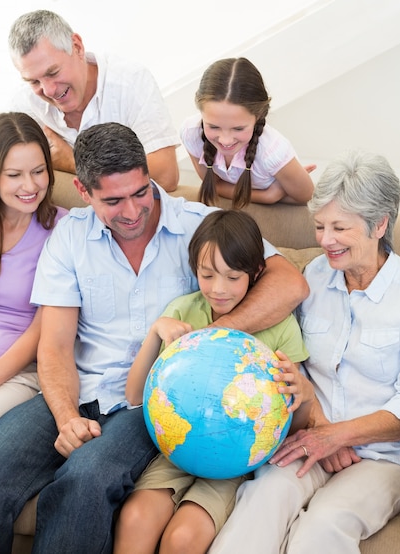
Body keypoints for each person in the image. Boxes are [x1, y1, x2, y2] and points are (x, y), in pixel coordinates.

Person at [0, 122, 308, 554]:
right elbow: (56, 346)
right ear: (82, 190)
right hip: (76, 387)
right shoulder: (70, 238)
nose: (134, 212)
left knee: (85, 480)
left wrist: (206, 339)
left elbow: (290, 283)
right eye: (113, 201)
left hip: (149, 401)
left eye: (141, 192)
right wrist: (66, 417)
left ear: (148, 175)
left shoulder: (199, 224)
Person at [209, 150, 400, 554]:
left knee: (323, 526)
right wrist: (319, 429)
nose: (324, 240)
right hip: (311, 439)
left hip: (383, 459)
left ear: (379, 224)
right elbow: (294, 365)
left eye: (339, 228)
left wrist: (337, 436)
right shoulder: (313, 277)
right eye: (319, 226)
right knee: (262, 501)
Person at [114, 209, 314, 554]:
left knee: (183, 538)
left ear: (256, 273)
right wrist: (155, 332)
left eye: (233, 277)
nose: (218, 289)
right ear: (194, 270)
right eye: (207, 275)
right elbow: (135, 395)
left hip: (234, 462)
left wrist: (304, 396)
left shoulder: (280, 327)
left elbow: (292, 426)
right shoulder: (182, 312)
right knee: (135, 518)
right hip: (177, 449)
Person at [8, 9, 180, 191]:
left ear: (77, 47)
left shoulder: (131, 82)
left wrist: (73, 163)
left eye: (53, 72)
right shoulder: (24, 103)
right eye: (34, 81)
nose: (49, 91)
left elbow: (165, 176)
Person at [0, 111, 67, 434]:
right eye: (15, 175)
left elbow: (43, 328)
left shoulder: (60, 229)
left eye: (38, 171)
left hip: (17, 371)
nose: (30, 185)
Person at [180, 57, 315, 207]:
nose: (225, 140)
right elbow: (213, 185)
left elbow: (306, 196)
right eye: (213, 127)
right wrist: (267, 196)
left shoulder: (273, 152)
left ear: (258, 116)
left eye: (238, 129)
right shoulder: (191, 133)